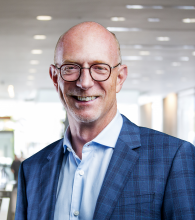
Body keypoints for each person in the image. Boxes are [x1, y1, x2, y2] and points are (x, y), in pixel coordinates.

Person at [15, 22, 195, 220]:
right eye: (70, 68)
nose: (84, 82)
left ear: (119, 78)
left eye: (99, 68)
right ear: (54, 77)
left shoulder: (172, 157)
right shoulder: (31, 170)